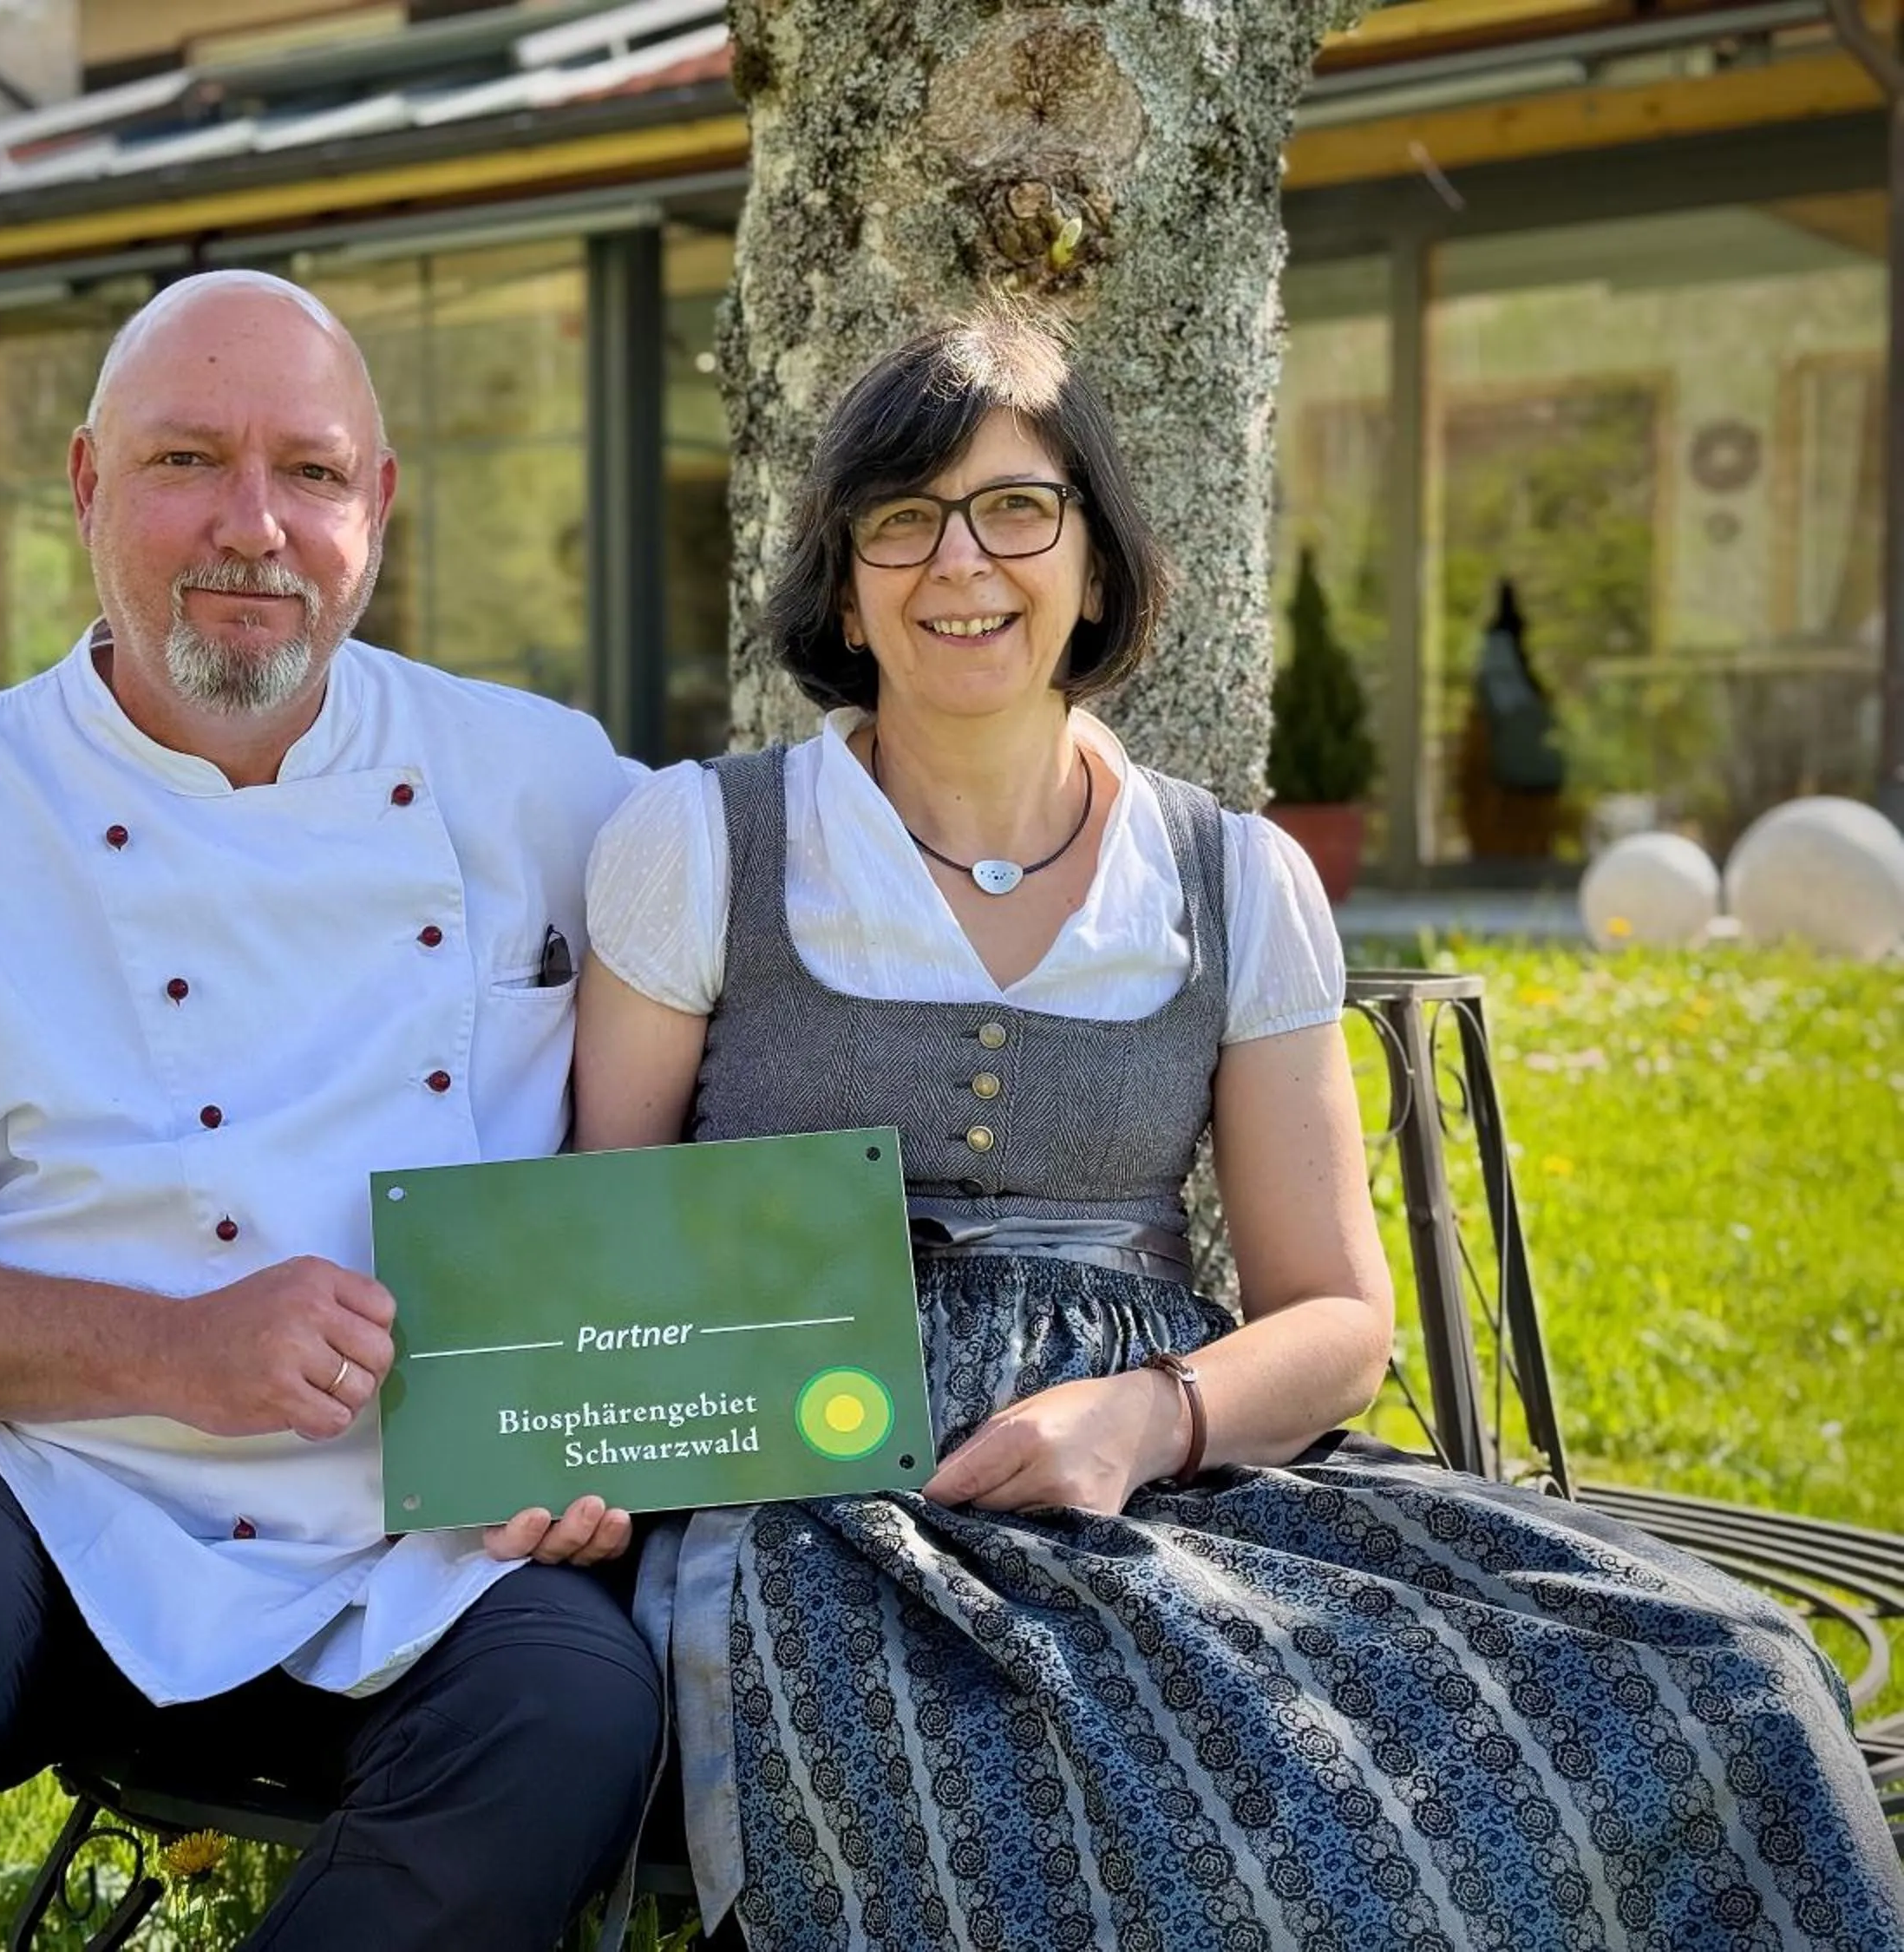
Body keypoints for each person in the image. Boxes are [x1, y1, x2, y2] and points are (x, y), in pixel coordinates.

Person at [575, 313, 1904, 1949]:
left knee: (1735, 1683)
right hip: (822, 1489)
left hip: (1174, 1469)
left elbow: (1338, 1320)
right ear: (844, 584)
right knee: (1051, 1803)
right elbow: (598, 1247)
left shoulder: (1230, 877)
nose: (958, 562)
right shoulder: (705, 842)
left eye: (1015, 508)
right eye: (900, 519)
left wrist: (1145, 1420)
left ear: (1098, 557)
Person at [0, 270, 659, 1952]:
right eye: (190, 459)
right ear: (85, 487)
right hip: (46, 1482)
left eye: (314, 474)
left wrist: (609, 1432)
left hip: (430, 1538)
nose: (254, 528)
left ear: (383, 505)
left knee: (575, 1718)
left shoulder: (555, 785)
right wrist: (174, 1352)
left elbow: (725, 1107)